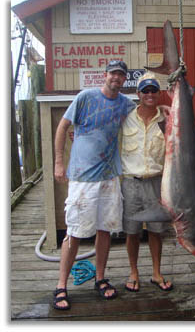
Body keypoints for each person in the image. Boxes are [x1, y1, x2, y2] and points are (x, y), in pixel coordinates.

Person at [52, 60, 136, 310]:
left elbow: (146, 115)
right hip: (82, 178)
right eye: (113, 74)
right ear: (105, 75)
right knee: (74, 232)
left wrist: (164, 107)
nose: (116, 78)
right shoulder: (85, 97)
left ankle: (100, 278)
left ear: (124, 80)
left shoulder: (126, 104)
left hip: (110, 177)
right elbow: (63, 127)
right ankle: (61, 285)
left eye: (121, 75)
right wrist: (59, 162)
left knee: (105, 230)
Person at [120, 72, 173, 292]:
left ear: (159, 94)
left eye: (153, 90)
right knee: (131, 231)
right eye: (145, 91)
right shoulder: (125, 117)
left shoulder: (168, 118)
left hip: (157, 181)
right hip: (130, 182)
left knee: (155, 230)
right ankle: (133, 271)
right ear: (138, 94)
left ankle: (156, 272)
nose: (149, 94)